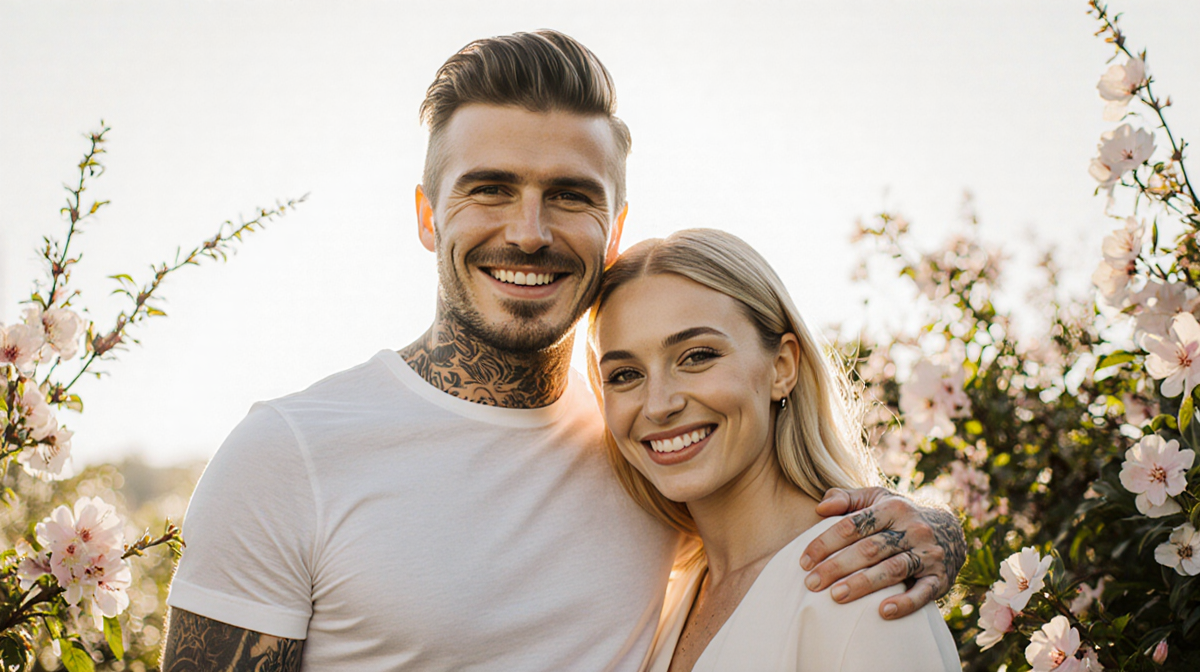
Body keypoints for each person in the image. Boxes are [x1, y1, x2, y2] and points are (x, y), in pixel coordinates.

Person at [160, 31, 966, 670]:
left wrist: (929, 524)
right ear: (427, 215)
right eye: (490, 187)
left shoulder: (641, 447)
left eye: (571, 196)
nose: (530, 231)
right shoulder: (291, 454)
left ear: (613, 229)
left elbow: (776, 531)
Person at [588, 228, 961, 671]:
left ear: (782, 366)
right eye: (625, 374)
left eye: (697, 356)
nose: (658, 404)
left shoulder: (857, 592)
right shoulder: (665, 602)